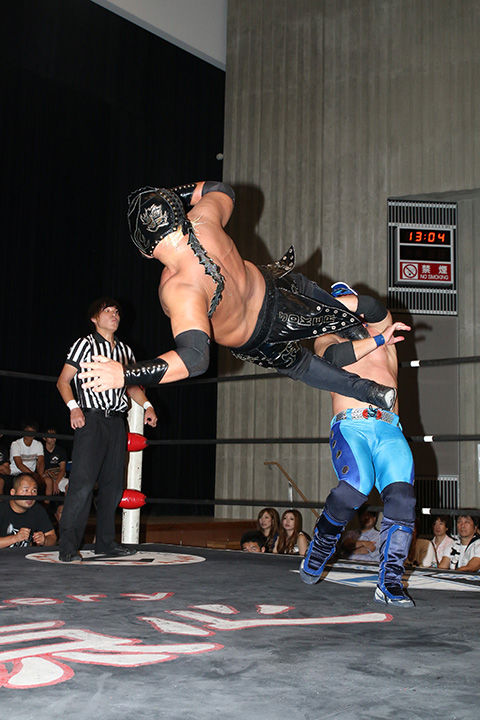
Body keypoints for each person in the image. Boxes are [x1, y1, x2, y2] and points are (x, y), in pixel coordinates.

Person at [77, 182, 397, 412]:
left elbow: (195, 358)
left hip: (258, 335)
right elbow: (221, 189)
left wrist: (126, 373)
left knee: (301, 364)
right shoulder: (203, 218)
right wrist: (171, 198)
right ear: (178, 213)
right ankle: (358, 318)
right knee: (316, 298)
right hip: (273, 286)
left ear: (145, 252)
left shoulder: (179, 288)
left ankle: (371, 391)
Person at [299, 286, 417, 607]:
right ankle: (323, 543)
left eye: (349, 305)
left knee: (403, 499)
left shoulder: (381, 328)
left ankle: (390, 581)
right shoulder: (327, 338)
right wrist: (375, 340)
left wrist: (348, 309)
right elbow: (333, 359)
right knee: (355, 486)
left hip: (389, 428)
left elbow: (374, 307)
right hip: (352, 425)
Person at [56, 297, 158, 562]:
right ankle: (68, 546)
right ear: (94, 318)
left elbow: (132, 386)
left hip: (116, 422)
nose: (114, 315)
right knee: (82, 485)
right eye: (107, 311)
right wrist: (74, 408)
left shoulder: (125, 351)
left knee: (112, 486)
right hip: (91, 420)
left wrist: (148, 406)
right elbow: (63, 381)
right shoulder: (84, 344)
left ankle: (105, 543)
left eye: (116, 312)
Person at [0, 473, 57, 548]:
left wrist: (45, 540)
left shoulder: (37, 510)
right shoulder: (2, 509)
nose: (30, 495)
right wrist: (15, 538)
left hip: (26, 554)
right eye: (25, 490)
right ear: (13, 492)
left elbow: (52, 537)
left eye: (34, 491)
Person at [42, 428, 68, 502]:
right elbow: (39, 466)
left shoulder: (61, 450)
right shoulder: (40, 449)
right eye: (50, 436)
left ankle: (66, 507)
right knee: (48, 482)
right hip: (45, 475)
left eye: (54, 436)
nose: (52, 438)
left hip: (57, 475)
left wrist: (56, 482)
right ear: (44, 438)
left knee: (69, 485)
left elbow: (62, 469)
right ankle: (46, 506)